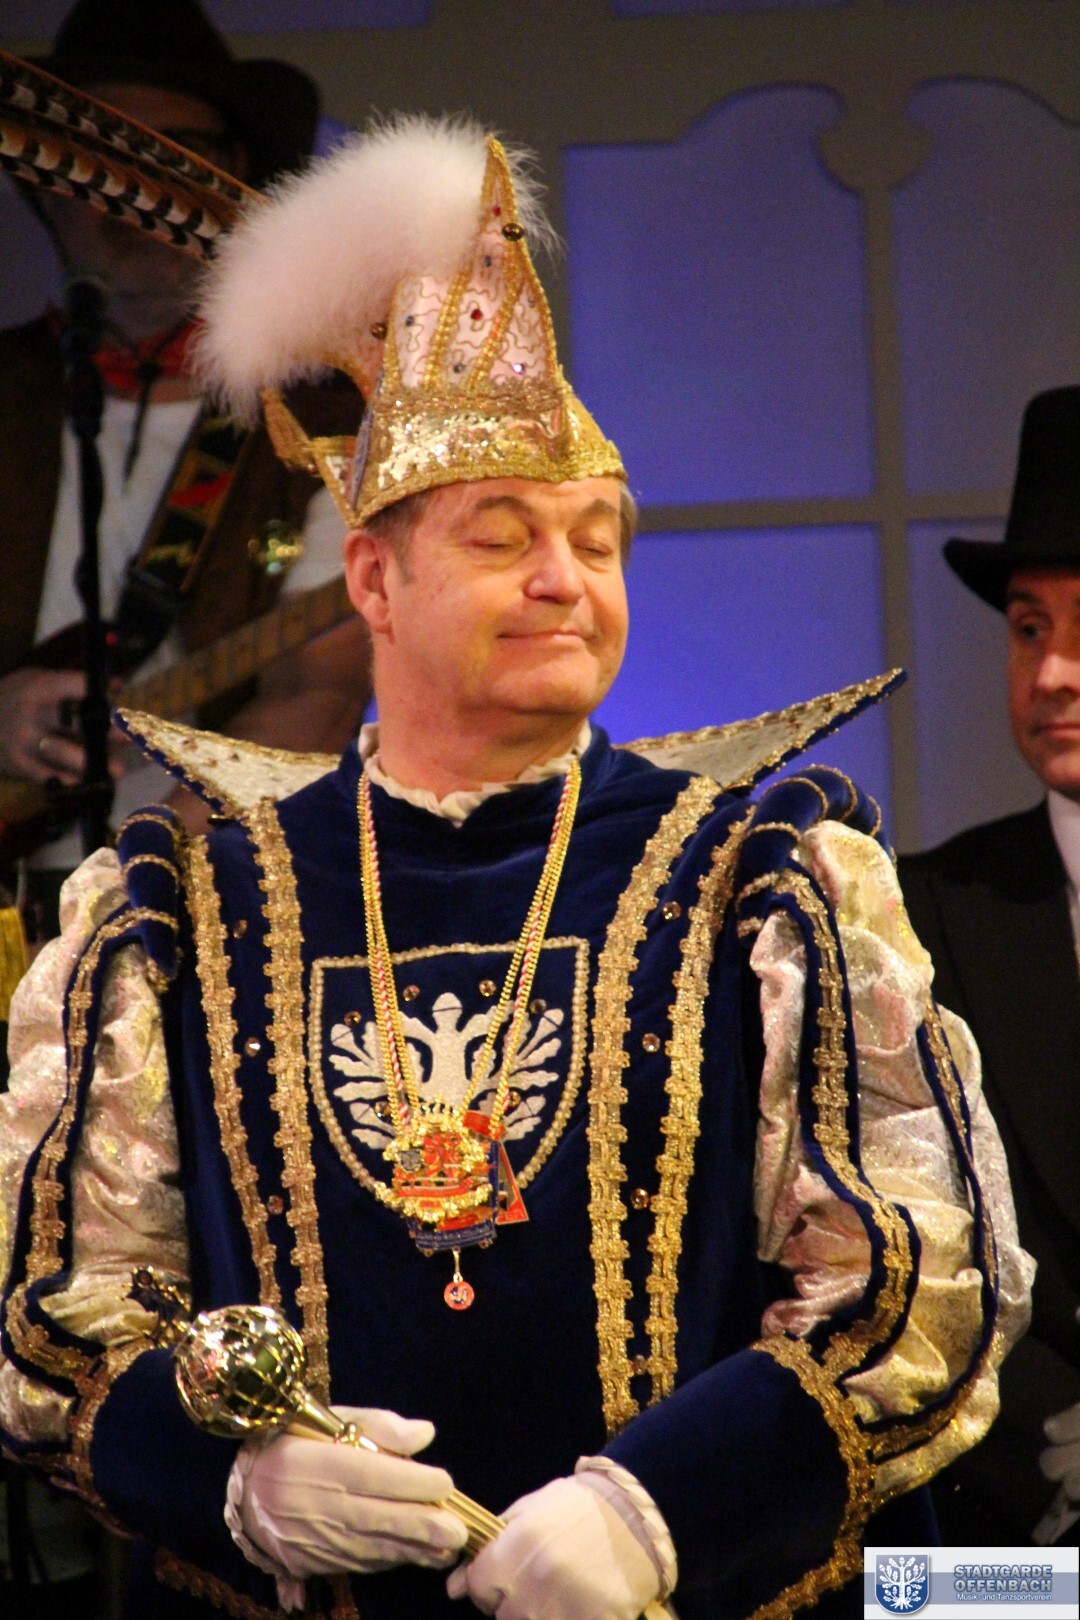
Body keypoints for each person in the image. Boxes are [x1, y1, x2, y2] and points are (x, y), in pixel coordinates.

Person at [0, 116, 1032, 1620]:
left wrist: (657, 1511)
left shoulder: (767, 881)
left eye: (597, 542)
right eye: (503, 538)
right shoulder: (180, 909)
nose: (566, 582)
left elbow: (919, 1286)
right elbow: (57, 1316)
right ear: (373, 579)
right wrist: (226, 1476)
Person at [0, 0, 370, 947]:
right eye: (98, 156)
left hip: (211, 908)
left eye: (175, 152)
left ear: (230, 173)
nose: (133, 188)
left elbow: (315, 696)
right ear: (46, 179)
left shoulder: (324, 416)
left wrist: (143, 883)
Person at [899, 385, 1080, 1548]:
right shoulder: (917, 918)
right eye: (1027, 629)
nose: (1053, 672)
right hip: (1001, 1560)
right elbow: (894, 1266)